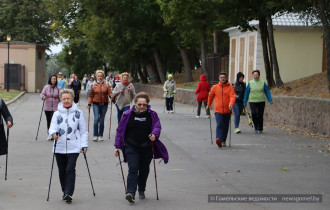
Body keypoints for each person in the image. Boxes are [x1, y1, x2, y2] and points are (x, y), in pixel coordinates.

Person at [114, 92, 168, 204]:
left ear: (147, 104)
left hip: (146, 146)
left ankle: (141, 189)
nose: (142, 106)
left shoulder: (152, 115)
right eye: (139, 104)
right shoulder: (127, 114)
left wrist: (154, 134)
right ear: (135, 103)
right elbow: (120, 130)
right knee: (133, 168)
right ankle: (130, 193)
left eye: (144, 104)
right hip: (131, 145)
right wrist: (117, 146)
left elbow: (157, 126)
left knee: (144, 169)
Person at [48, 89, 88, 203]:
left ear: (72, 99)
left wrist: (84, 145)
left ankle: (68, 193)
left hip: (74, 146)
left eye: (68, 98)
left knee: (70, 169)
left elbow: (83, 131)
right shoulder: (56, 113)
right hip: (59, 146)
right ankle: (65, 192)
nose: (66, 101)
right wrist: (53, 133)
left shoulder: (78, 113)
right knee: (62, 170)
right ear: (61, 99)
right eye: (64, 99)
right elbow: (52, 127)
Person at [207, 72, 235, 148]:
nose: (223, 78)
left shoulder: (230, 87)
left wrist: (231, 104)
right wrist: (208, 105)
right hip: (218, 110)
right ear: (219, 79)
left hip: (227, 110)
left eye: (224, 77)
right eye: (221, 77)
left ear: (226, 78)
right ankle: (218, 139)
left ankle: (223, 140)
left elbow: (232, 97)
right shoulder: (215, 87)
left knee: (225, 126)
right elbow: (210, 96)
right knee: (219, 124)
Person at [243, 70, 273, 134]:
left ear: (259, 75)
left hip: (261, 100)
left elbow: (267, 91)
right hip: (252, 101)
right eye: (254, 75)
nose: (255, 76)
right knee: (253, 113)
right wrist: (245, 101)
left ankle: (261, 128)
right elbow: (246, 93)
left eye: (257, 75)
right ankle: (256, 127)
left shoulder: (262, 82)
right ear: (253, 75)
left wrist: (270, 100)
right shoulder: (250, 83)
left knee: (260, 114)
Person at [88, 70, 112, 141]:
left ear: (103, 76)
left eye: (101, 76)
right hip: (96, 104)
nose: (100, 77)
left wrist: (112, 96)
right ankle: (95, 135)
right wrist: (89, 103)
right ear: (96, 76)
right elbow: (91, 95)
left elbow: (110, 93)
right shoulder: (93, 85)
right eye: (98, 76)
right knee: (96, 119)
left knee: (101, 120)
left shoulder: (107, 84)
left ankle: (100, 135)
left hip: (104, 104)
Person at [40, 74, 61, 140]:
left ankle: (54, 133)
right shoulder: (46, 87)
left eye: (55, 79)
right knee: (48, 121)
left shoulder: (58, 88)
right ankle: (49, 133)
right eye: (52, 79)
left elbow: (61, 96)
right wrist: (43, 97)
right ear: (50, 80)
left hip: (55, 107)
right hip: (47, 107)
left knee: (53, 120)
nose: (53, 80)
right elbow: (42, 94)